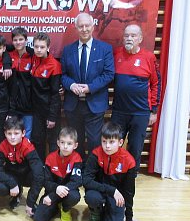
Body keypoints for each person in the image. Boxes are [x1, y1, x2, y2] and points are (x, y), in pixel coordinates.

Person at [61, 12, 114, 160]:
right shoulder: (67, 50)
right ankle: (78, 170)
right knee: (75, 140)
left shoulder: (105, 49)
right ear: (76, 28)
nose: (84, 29)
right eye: (81, 26)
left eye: (87, 25)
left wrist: (90, 87)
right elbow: (63, 75)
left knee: (94, 141)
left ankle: (91, 172)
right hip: (73, 104)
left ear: (93, 26)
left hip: (95, 104)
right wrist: (71, 85)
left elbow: (109, 74)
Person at [111, 24, 160, 176]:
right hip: (119, 110)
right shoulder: (116, 54)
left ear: (140, 39)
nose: (129, 38)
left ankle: (131, 175)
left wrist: (154, 110)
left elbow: (156, 84)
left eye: (133, 35)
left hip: (141, 112)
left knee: (135, 146)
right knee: (113, 144)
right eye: (126, 35)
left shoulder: (149, 57)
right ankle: (113, 173)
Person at [83, 122, 136, 221]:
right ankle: (97, 211)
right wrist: (111, 190)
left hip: (116, 196)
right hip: (100, 191)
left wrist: (129, 215)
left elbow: (129, 190)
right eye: (104, 141)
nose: (107, 146)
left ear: (120, 142)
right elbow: (86, 180)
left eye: (112, 142)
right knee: (92, 197)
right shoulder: (96, 154)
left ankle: (107, 212)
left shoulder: (129, 161)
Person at [0, 116, 44, 217]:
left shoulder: (28, 147)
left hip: (26, 175)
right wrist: (12, 184)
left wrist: (30, 202)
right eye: (9, 133)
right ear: (5, 134)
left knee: (40, 176)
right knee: (0, 188)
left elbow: (39, 173)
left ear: (23, 133)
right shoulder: (2, 147)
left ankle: (33, 201)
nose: (12, 137)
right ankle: (16, 194)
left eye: (16, 133)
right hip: (12, 175)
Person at [33, 127, 82, 221]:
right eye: (62, 142)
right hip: (51, 191)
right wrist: (56, 189)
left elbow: (76, 181)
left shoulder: (77, 159)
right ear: (58, 143)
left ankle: (65, 209)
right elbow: (45, 182)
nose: (65, 146)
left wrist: (53, 197)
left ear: (75, 145)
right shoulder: (50, 158)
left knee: (75, 196)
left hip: (68, 193)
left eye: (69, 143)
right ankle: (55, 207)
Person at [30, 32, 62, 161]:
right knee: (37, 140)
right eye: (36, 46)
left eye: (42, 47)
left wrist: (52, 117)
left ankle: (53, 170)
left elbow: (55, 94)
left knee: (53, 142)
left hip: (49, 111)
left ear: (48, 47)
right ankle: (40, 169)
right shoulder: (33, 58)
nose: (38, 50)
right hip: (36, 111)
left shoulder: (54, 65)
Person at [7, 27, 34, 139]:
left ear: (26, 40)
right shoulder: (8, 54)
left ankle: (26, 157)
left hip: (28, 105)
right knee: (12, 135)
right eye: (15, 40)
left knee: (27, 135)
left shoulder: (33, 55)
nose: (18, 42)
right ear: (12, 41)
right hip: (12, 105)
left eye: (21, 39)